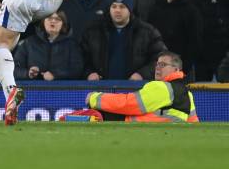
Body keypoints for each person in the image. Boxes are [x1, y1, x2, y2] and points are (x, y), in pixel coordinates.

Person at [64, 52, 198, 123]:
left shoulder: (162, 87)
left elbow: (130, 103)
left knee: (92, 116)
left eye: (163, 65)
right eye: (157, 64)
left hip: (131, 129)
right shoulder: (187, 94)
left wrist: (95, 98)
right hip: (163, 137)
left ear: (176, 69)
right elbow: (193, 123)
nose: (157, 68)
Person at [80, 0, 166, 81]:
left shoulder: (148, 32)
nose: (117, 10)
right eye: (114, 6)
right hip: (101, 88)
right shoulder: (93, 32)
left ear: (130, 10)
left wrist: (142, 74)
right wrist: (89, 73)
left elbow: (161, 58)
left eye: (122, 7)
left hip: (135, 89)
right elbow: (81, 58)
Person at [13, 11, 84, 81]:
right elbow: (14, 69)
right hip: (33, 89)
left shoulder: (72, 45)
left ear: (63, 24)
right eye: (49, 18)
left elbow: (77, 69)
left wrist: (55, 75)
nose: (53, 21)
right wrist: (28, 73)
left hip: (63, 89)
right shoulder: (29, 43)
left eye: (58, 19)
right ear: (43, 21)